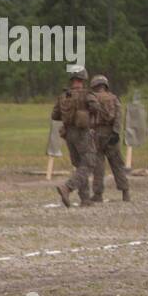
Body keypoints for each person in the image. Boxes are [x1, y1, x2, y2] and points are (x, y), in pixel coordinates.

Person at [52, 69, 98, 208]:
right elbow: (96, 107)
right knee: (89, 162)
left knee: (80, 166)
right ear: (83, 79)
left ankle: (85, 199)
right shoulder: (87, 94)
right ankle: (67, 187)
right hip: (82, 133)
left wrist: (69, 116)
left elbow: (54, 115)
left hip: (68, 133)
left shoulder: (63, 96)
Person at [88, 74, 130, 202]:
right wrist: (116, 133)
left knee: (98, 166)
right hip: (111, 134)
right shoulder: (114, 98)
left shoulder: (91, 98)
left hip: (96, 134)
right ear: (105, 85)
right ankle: (125, 192)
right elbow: (118, 117)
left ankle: (98, 194)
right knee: (117, 164)